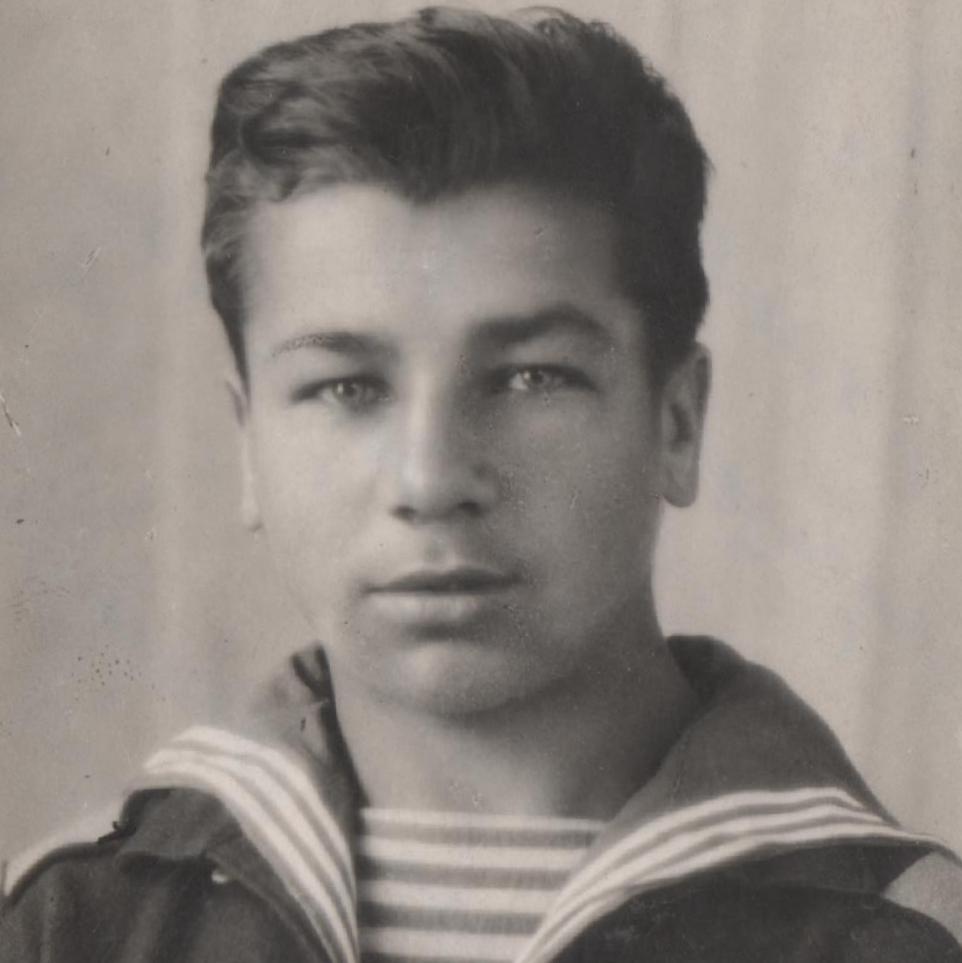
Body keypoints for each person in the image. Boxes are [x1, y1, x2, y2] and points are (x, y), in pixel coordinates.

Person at [2, 7, 960, 961]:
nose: (430, 479)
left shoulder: (906, 933)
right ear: (248, 442)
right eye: (346, 387)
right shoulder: (74, 926)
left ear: (677, 420)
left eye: (528, 376)